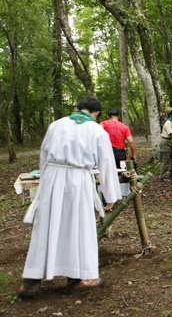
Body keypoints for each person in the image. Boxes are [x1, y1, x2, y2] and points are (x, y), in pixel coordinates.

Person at [18, 98, 121, 297]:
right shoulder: (96, 130)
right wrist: (110, 195)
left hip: (52, 178)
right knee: (78, 226)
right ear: (97, 113)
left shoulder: (56, 125)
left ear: (76, 109)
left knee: (46, 226)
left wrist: (45, 181)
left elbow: (44, 155)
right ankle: (78, 278)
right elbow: (106, 163)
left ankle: (30, 282)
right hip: (78, 180)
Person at [160, 107, 172, 182]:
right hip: (165, 142)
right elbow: (170, 134)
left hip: (170, 142)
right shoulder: (168, 123)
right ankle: (163, 176)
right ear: (170, 115)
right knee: (166, 161)